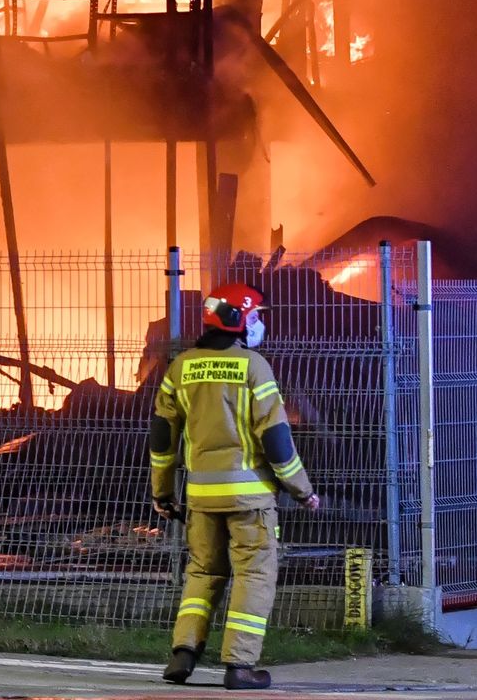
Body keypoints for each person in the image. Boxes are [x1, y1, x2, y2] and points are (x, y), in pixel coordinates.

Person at [150, 283, 321, 690]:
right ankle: (240, 666)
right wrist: (302, 489)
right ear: (237, 320)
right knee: (254, 576)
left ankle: (184, 652)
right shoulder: (253, 366)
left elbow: (162, 436)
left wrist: (162, 491)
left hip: (200, 497)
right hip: (250, 499)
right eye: (255, 315)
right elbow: (277, 439)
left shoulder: (181, 368)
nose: (259, 322)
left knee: (203, 571)